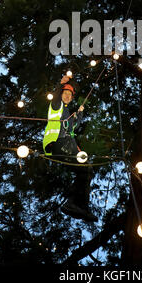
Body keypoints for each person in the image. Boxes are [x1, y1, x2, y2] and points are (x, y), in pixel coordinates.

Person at [43, 74, 97, 223]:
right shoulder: (57, 106)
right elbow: (55, 98)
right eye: (65, 93)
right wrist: (60, 85)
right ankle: (73, 203)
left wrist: (79, 115)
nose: (67, 96)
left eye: (69, 95)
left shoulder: (67, 113)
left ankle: (80, 206)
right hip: (57, 143)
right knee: (85, 168)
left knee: (87, 169)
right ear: (61, 95)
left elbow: (72, 128)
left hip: (66, 145)